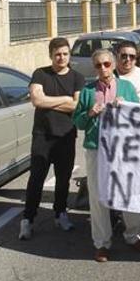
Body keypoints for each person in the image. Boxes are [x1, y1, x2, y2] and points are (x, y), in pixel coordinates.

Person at [72, 49, 140, 261]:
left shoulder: (127, 88)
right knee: (97, 195)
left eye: (106, 64)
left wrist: (126, 107)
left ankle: (133, 235)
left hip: (122, 148)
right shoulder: (87, 91)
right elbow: (78, 122)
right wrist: (90, 113)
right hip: (96, 148)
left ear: (113, 65)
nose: (103, 69)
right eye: (98, 65)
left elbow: (138, 118)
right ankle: (102, 242)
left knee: (127, 191)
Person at [20, 37, 85, 240]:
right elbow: (36, 99)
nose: (61, 57)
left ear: (69, 55)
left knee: (63, 179)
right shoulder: (40, 74)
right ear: (51, 55)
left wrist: (52, 102)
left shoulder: (77, 77)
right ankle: (27, 219)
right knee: (36, 180)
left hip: (66, 136)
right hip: (42, 136)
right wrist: (65, 99)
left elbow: (77, 105)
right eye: (57, 54)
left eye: (65, 54)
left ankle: (60, 213)